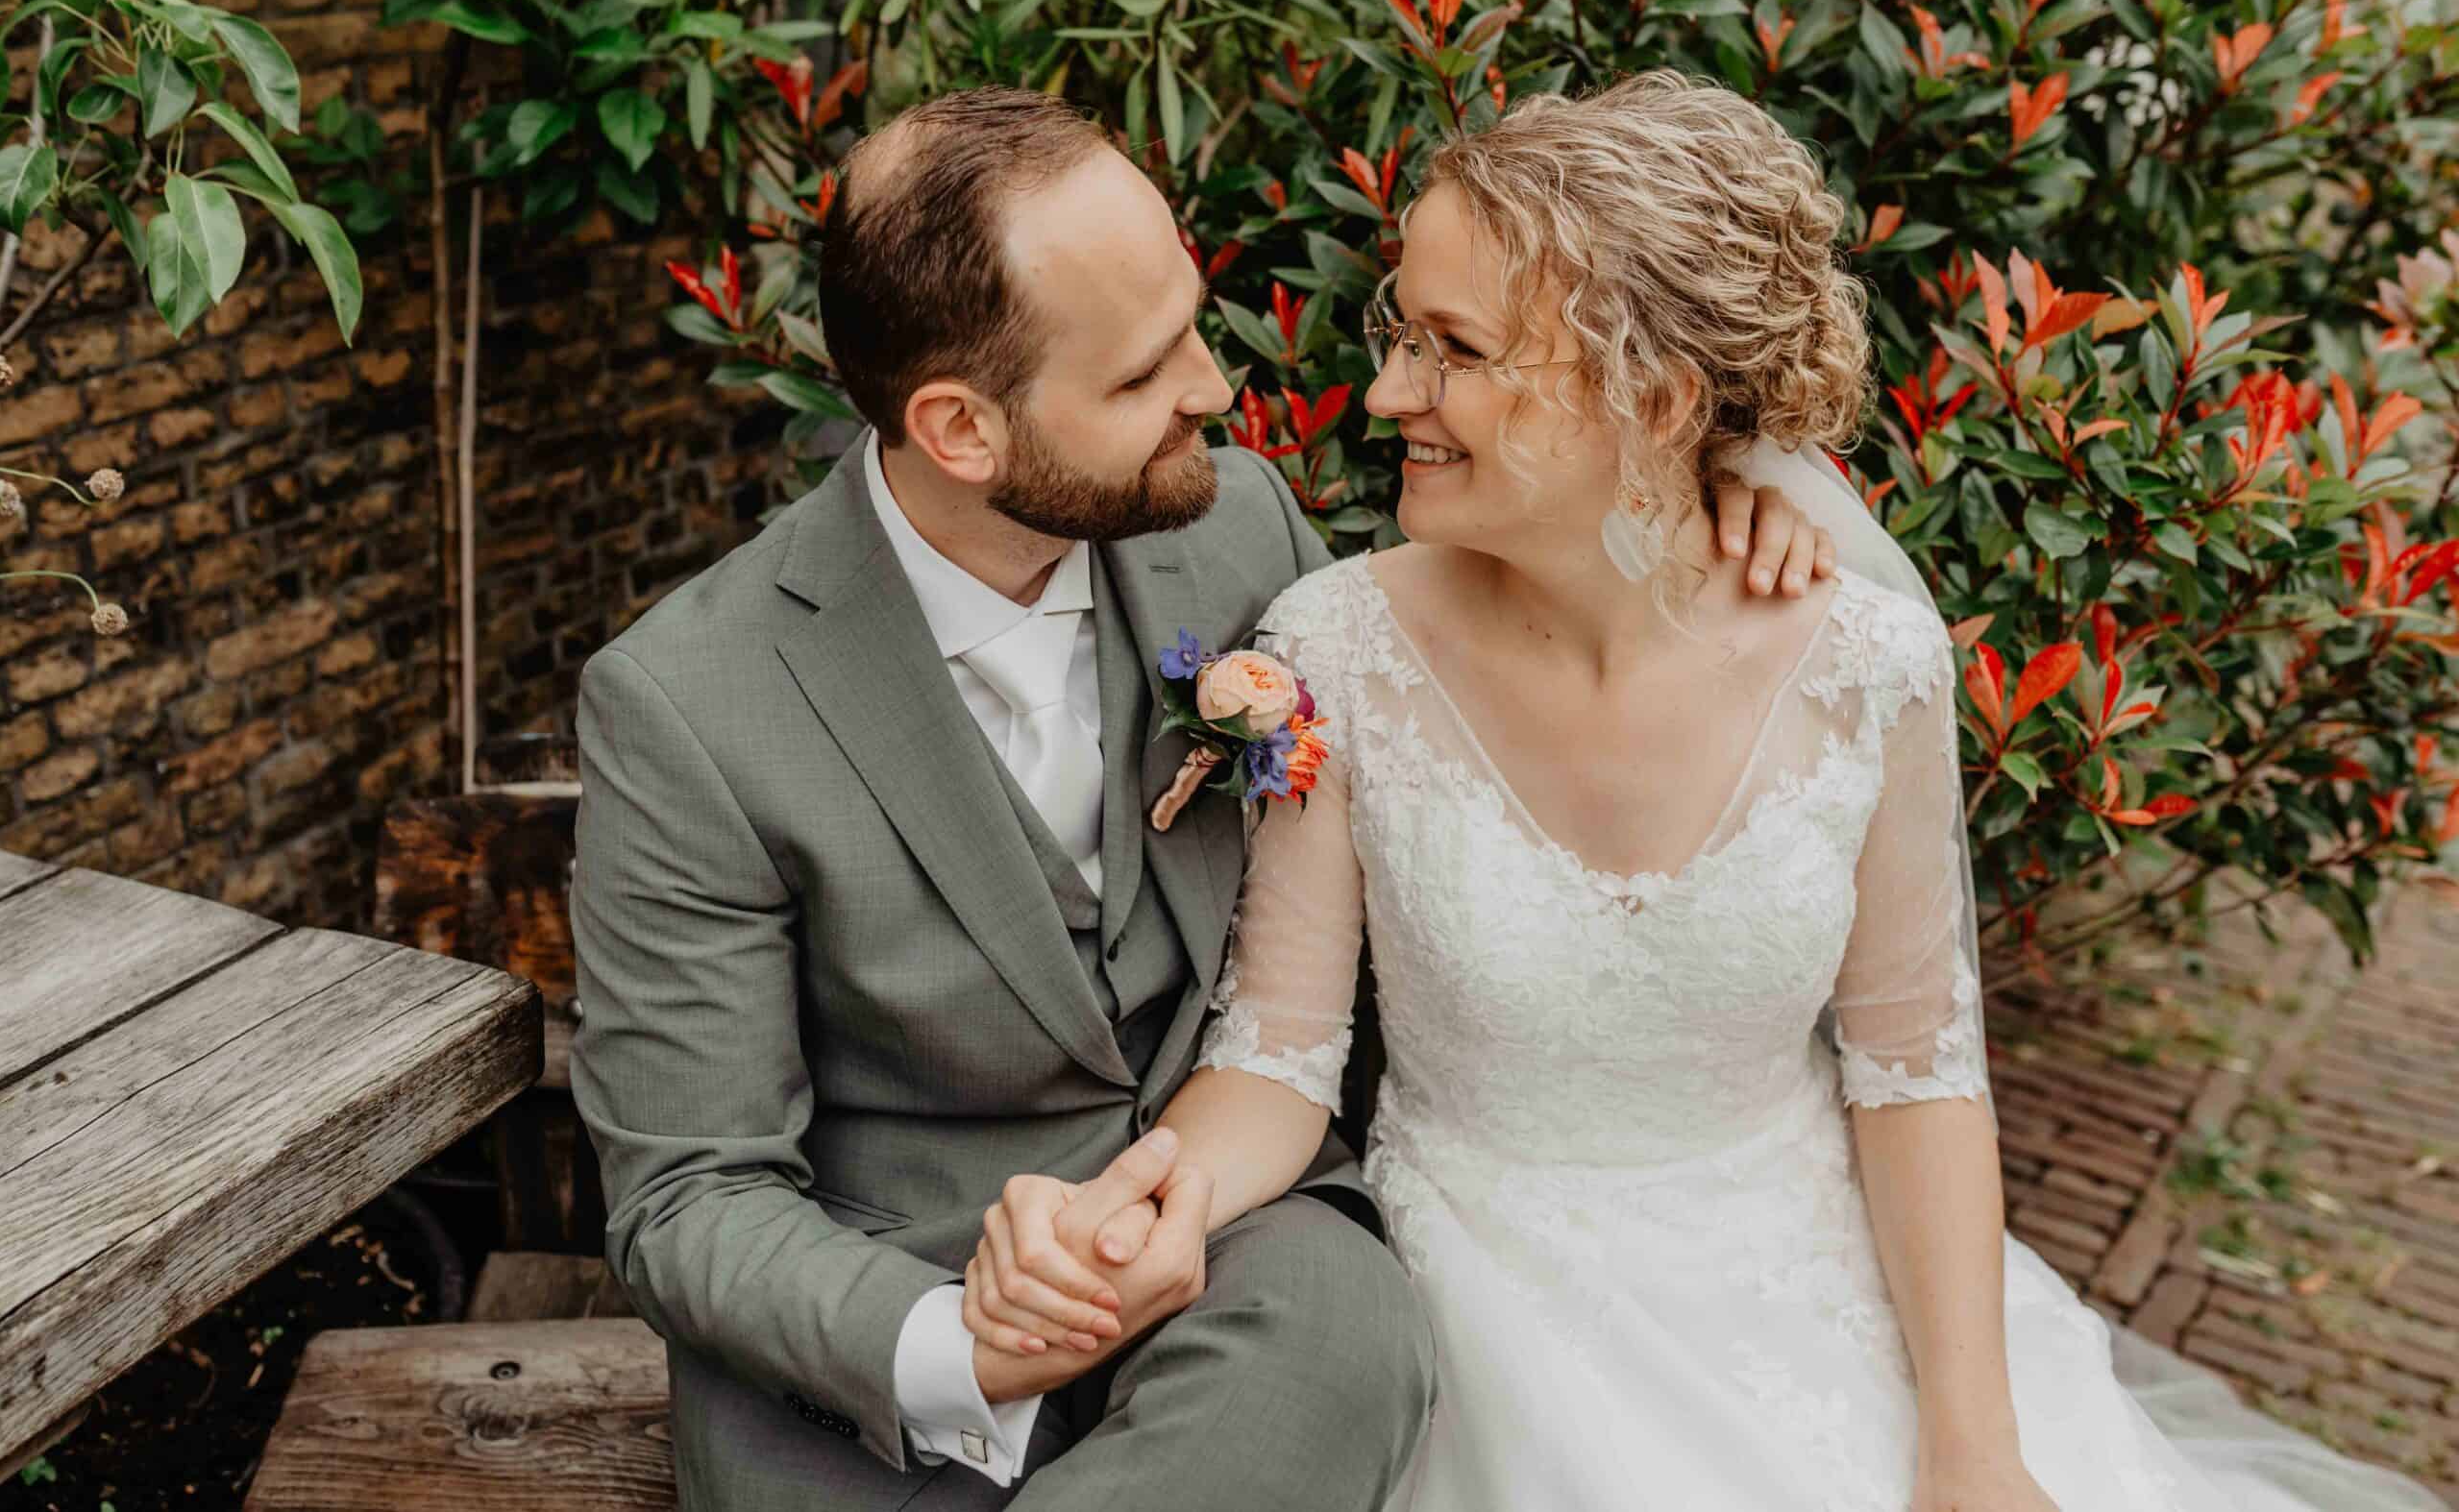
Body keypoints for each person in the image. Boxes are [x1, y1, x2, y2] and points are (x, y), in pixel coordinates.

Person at [964, 71, 2449, 1512]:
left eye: (1453, 350)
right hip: (1487, 1326)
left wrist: (1970, 1444)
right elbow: (1280, 1059)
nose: (1388, 392)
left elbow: (1916, 1076)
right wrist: (1145, 1201)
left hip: (1825, 1299)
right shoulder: (1336, 651)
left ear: (1657, 392)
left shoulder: (1867, 667)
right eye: (1398, 334)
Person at [568, 83, 1829, 1512]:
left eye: (1192, 322)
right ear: (960, 429)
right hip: (891, 1355)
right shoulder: (688, 702)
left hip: (1238, 1262)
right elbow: (689, 1195)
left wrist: (1691, 512)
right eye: (1140, 374)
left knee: (1346, 1328)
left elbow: (1502, 621)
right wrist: (956, 1344)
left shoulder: (1233, 527)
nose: (1215, 390)